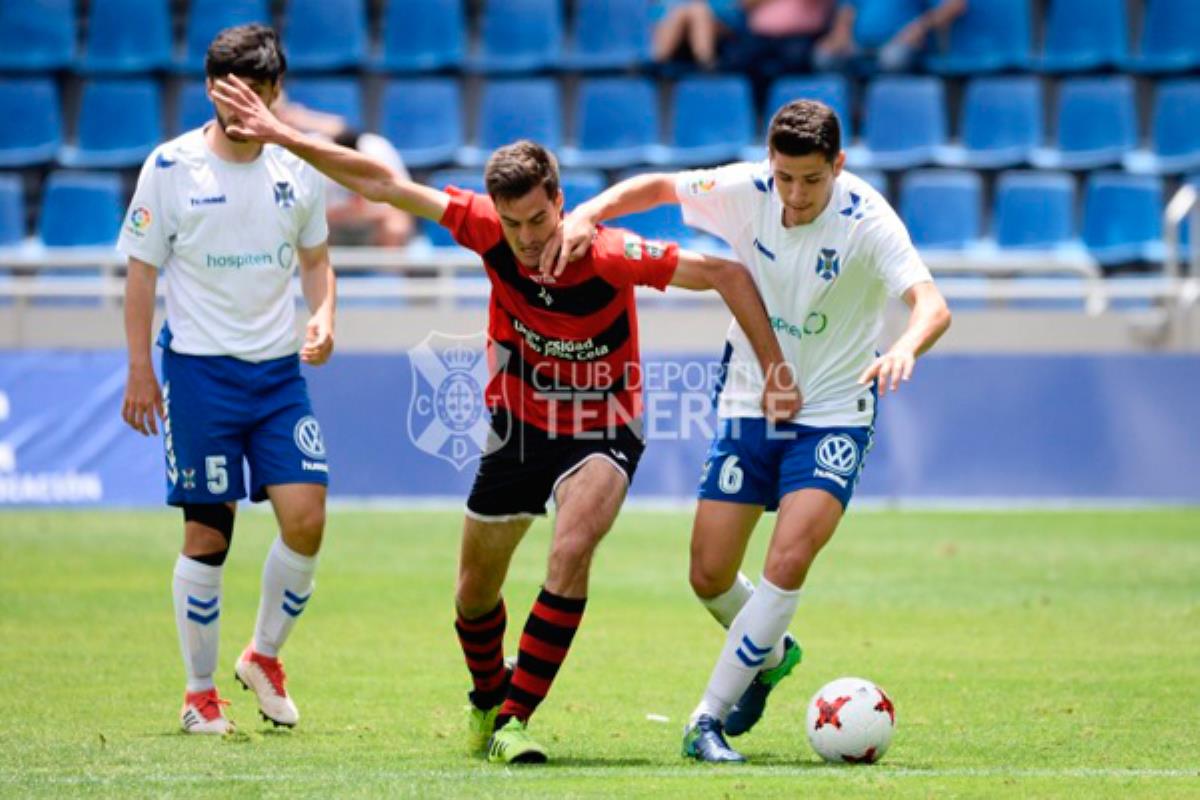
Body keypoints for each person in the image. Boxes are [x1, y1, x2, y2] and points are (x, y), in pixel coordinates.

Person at [212, 75, 803, 764]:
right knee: (473, 595)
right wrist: (284, 134)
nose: (525, 239)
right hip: (518, 427)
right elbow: (382, 185)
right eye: (513, 223)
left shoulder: (607, 254)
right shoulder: (485, 230)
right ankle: (489, 699)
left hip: (604, 428)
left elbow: (728, 275)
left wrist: (775, 368)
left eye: (538, 221)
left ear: (561, 202)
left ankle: (517, 715)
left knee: (571, 550)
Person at [551, 99, 951, 763]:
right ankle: (769, 654)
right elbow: (657, 187)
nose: (795, 195)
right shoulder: (746, 189)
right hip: (750, 399)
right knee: (708, 574)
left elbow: (931, 305)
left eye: (812, 181)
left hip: (834, 410)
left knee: (786, 562)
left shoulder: (869, 219)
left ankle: (706, 718)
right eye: (785, 178)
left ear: (839, 166)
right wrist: (590, 212)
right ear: (772, 165)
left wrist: (907, 344)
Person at [118, 24, 336, 735]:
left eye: (259, 93)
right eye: (231, 93)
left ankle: (263, 656)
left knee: (307, 519)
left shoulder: (298, 169)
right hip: (200, 375)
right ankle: (197, 694)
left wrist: (324, 314)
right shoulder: (171, 167)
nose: (246, 107)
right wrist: (140, 370)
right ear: (213, 90)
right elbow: (142, 273)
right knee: (209, 534)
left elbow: (316, 259)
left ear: (276, 93)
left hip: (277, 375)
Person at [272, 95, 415, 247]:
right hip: (328, 229)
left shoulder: (377, 149)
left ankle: (388, 271)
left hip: (371, 226)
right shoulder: (306, 158)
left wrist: (359, 212)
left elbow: (404, 207)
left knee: (396, 225)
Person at [814, 0, 966, 73]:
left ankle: (887, 113)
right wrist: (841, 35)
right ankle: (846, 114)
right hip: (858, 46)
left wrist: (918, 29)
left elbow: (954, 5)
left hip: (899, 44)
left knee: (893, 59)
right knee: (824, 56)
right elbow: (847, 8)